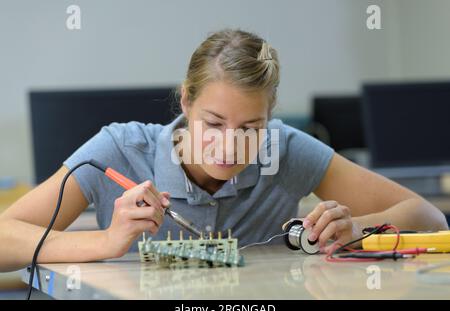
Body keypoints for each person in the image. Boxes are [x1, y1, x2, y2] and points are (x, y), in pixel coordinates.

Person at [0, 29, 447, 272]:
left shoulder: (286, 150)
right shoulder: (118, 149)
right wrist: (107, 242)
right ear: (186, 102)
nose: (230, 146)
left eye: (250, 127)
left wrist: (355, 230)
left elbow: (430, 218)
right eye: (213, 124)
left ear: (271, 118)